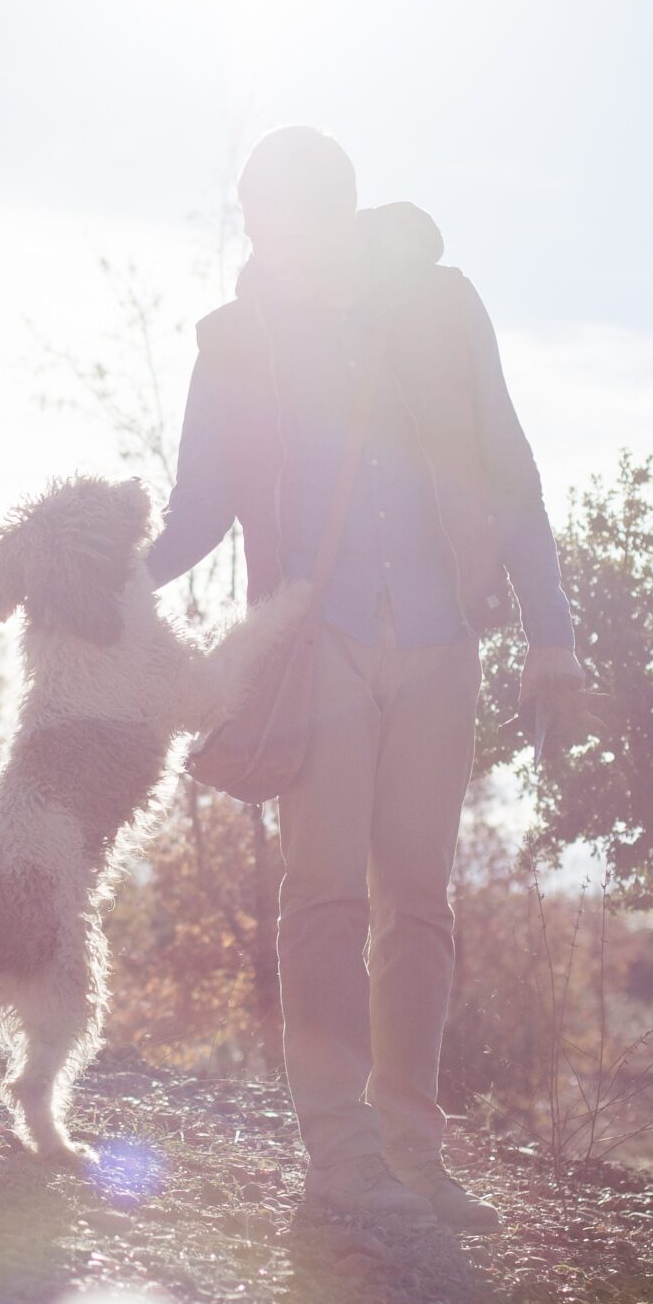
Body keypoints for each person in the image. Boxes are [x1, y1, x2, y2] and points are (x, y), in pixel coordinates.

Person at [146, 126, 587, 1231]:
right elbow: (196, 510)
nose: (272, 253)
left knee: (418, 905)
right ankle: (340, 1151)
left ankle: (415, 1153)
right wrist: (99, 578)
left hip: (442, 640)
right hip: (317, 644)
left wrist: (553, 632)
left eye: (290, 232)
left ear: (341, 219)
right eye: (258, 233)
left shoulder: (442, 309)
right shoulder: (236, 344)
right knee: (323, 892)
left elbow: (509, 465)